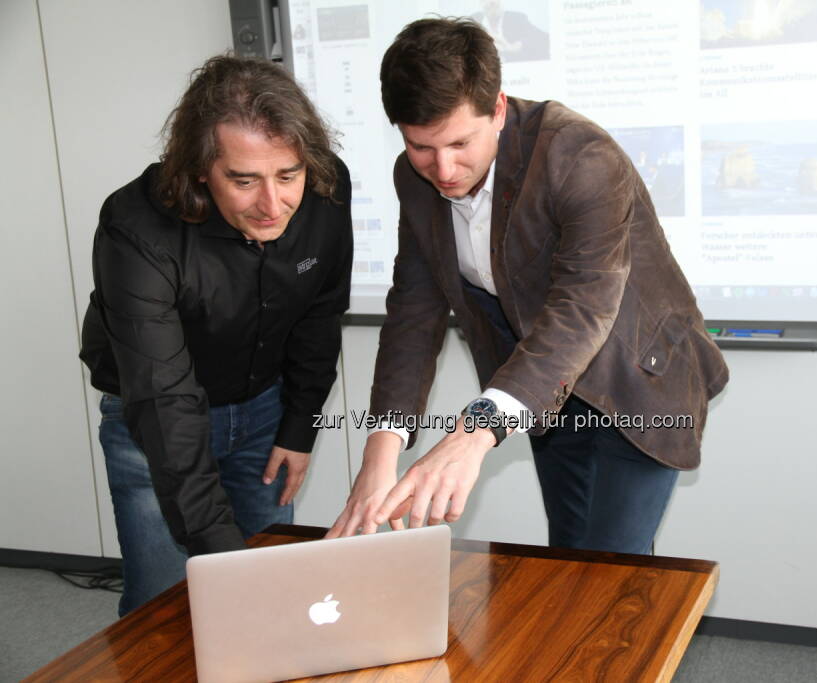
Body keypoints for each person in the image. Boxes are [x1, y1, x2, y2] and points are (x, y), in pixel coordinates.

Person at [327, 18, 728, 553]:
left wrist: (473, 432)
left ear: (497, 109)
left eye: (460, 143)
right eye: (421, 147)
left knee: (615, 566)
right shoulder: (413, 177)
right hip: (540, 386)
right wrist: (378, 457)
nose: (442, 169)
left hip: (636, 375)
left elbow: (583, 306)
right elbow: (413, 315)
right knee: (565, 557)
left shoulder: (579, 156)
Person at [79, 55, 353, 615]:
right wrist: (227, 564)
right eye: (244, 180)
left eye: (288, 175)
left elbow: (320, 316)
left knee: (275, 598)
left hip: (264, 414)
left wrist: (299, 428)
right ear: (201, 168)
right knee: (162, 612)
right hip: (154, 424)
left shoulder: (327, 186)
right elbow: (164, 398)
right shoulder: (136, 228)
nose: (273, 205)